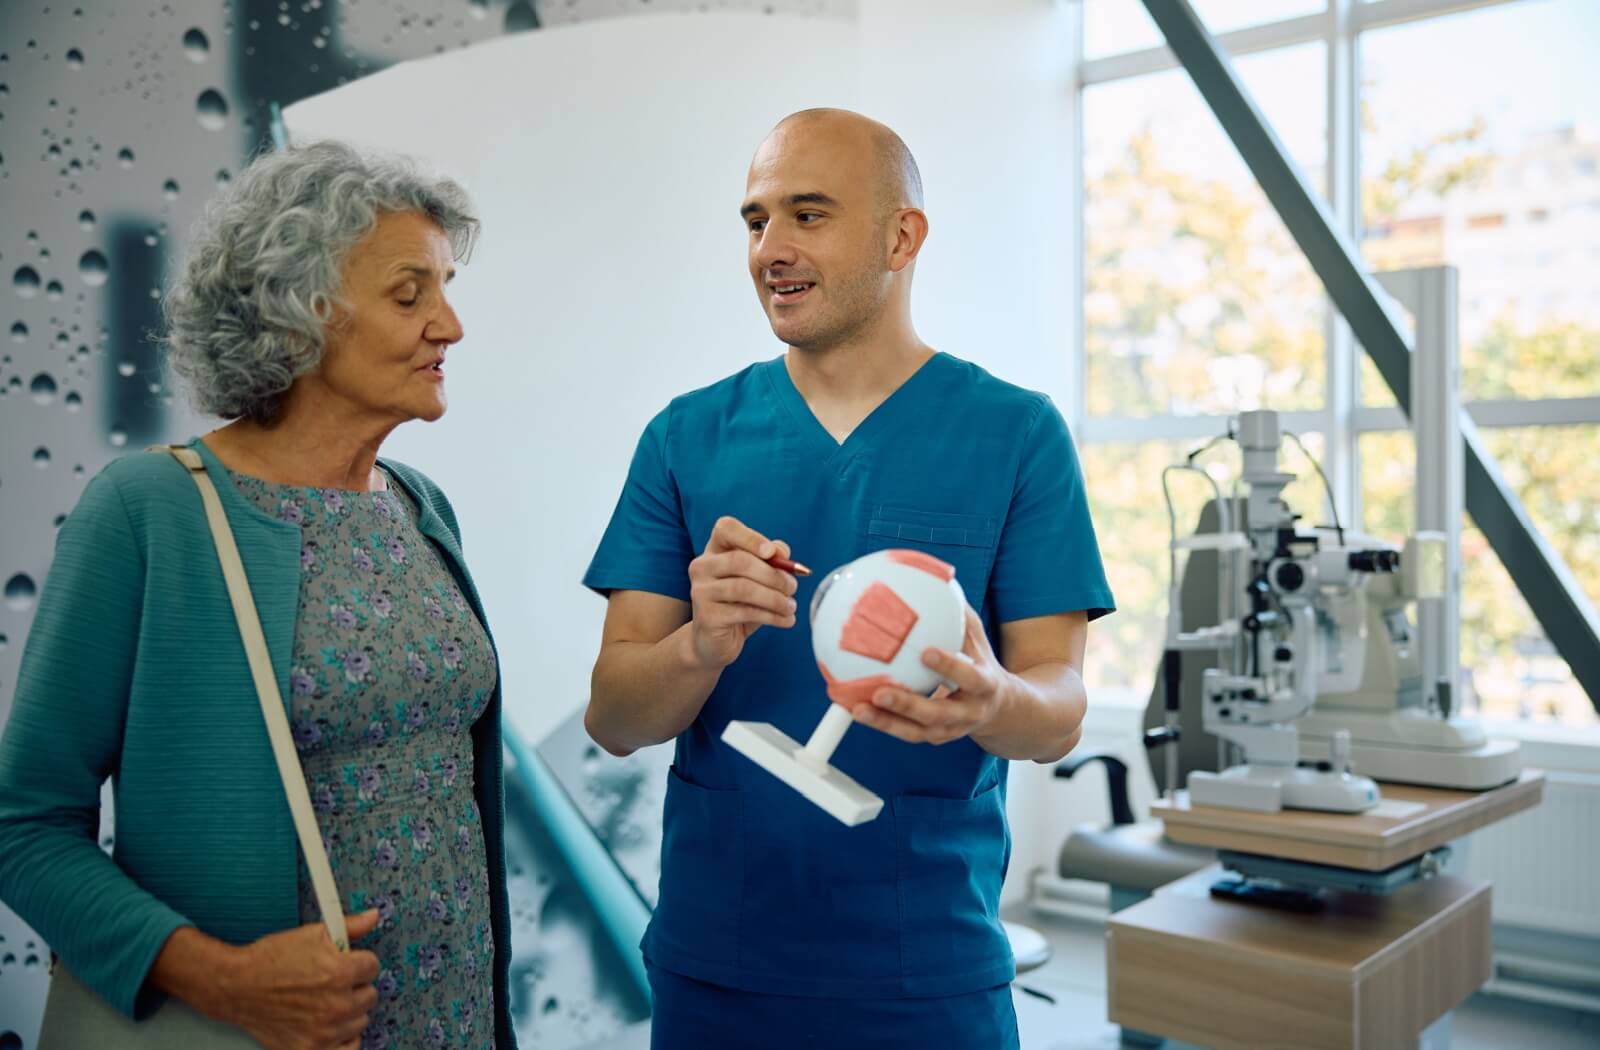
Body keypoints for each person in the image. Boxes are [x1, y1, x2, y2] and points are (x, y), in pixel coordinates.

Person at [583, 109, 1115, 1048]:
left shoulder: (1015, 435)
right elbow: (617, 720)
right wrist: (698, 645)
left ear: (901, 235)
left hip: (930, 974)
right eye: (755, 221)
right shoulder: (685, 438)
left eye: (808, 214)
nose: (770, 250)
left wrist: (991, 699)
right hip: (721, 969)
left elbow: (1059, 707)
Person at [0, 141, 515, 1050]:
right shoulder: (148, 511)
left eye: (446, 288)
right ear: (296, 316)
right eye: (410, 294)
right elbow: (25, 825)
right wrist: (226, 981)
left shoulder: (419, 507)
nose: (452, 326)